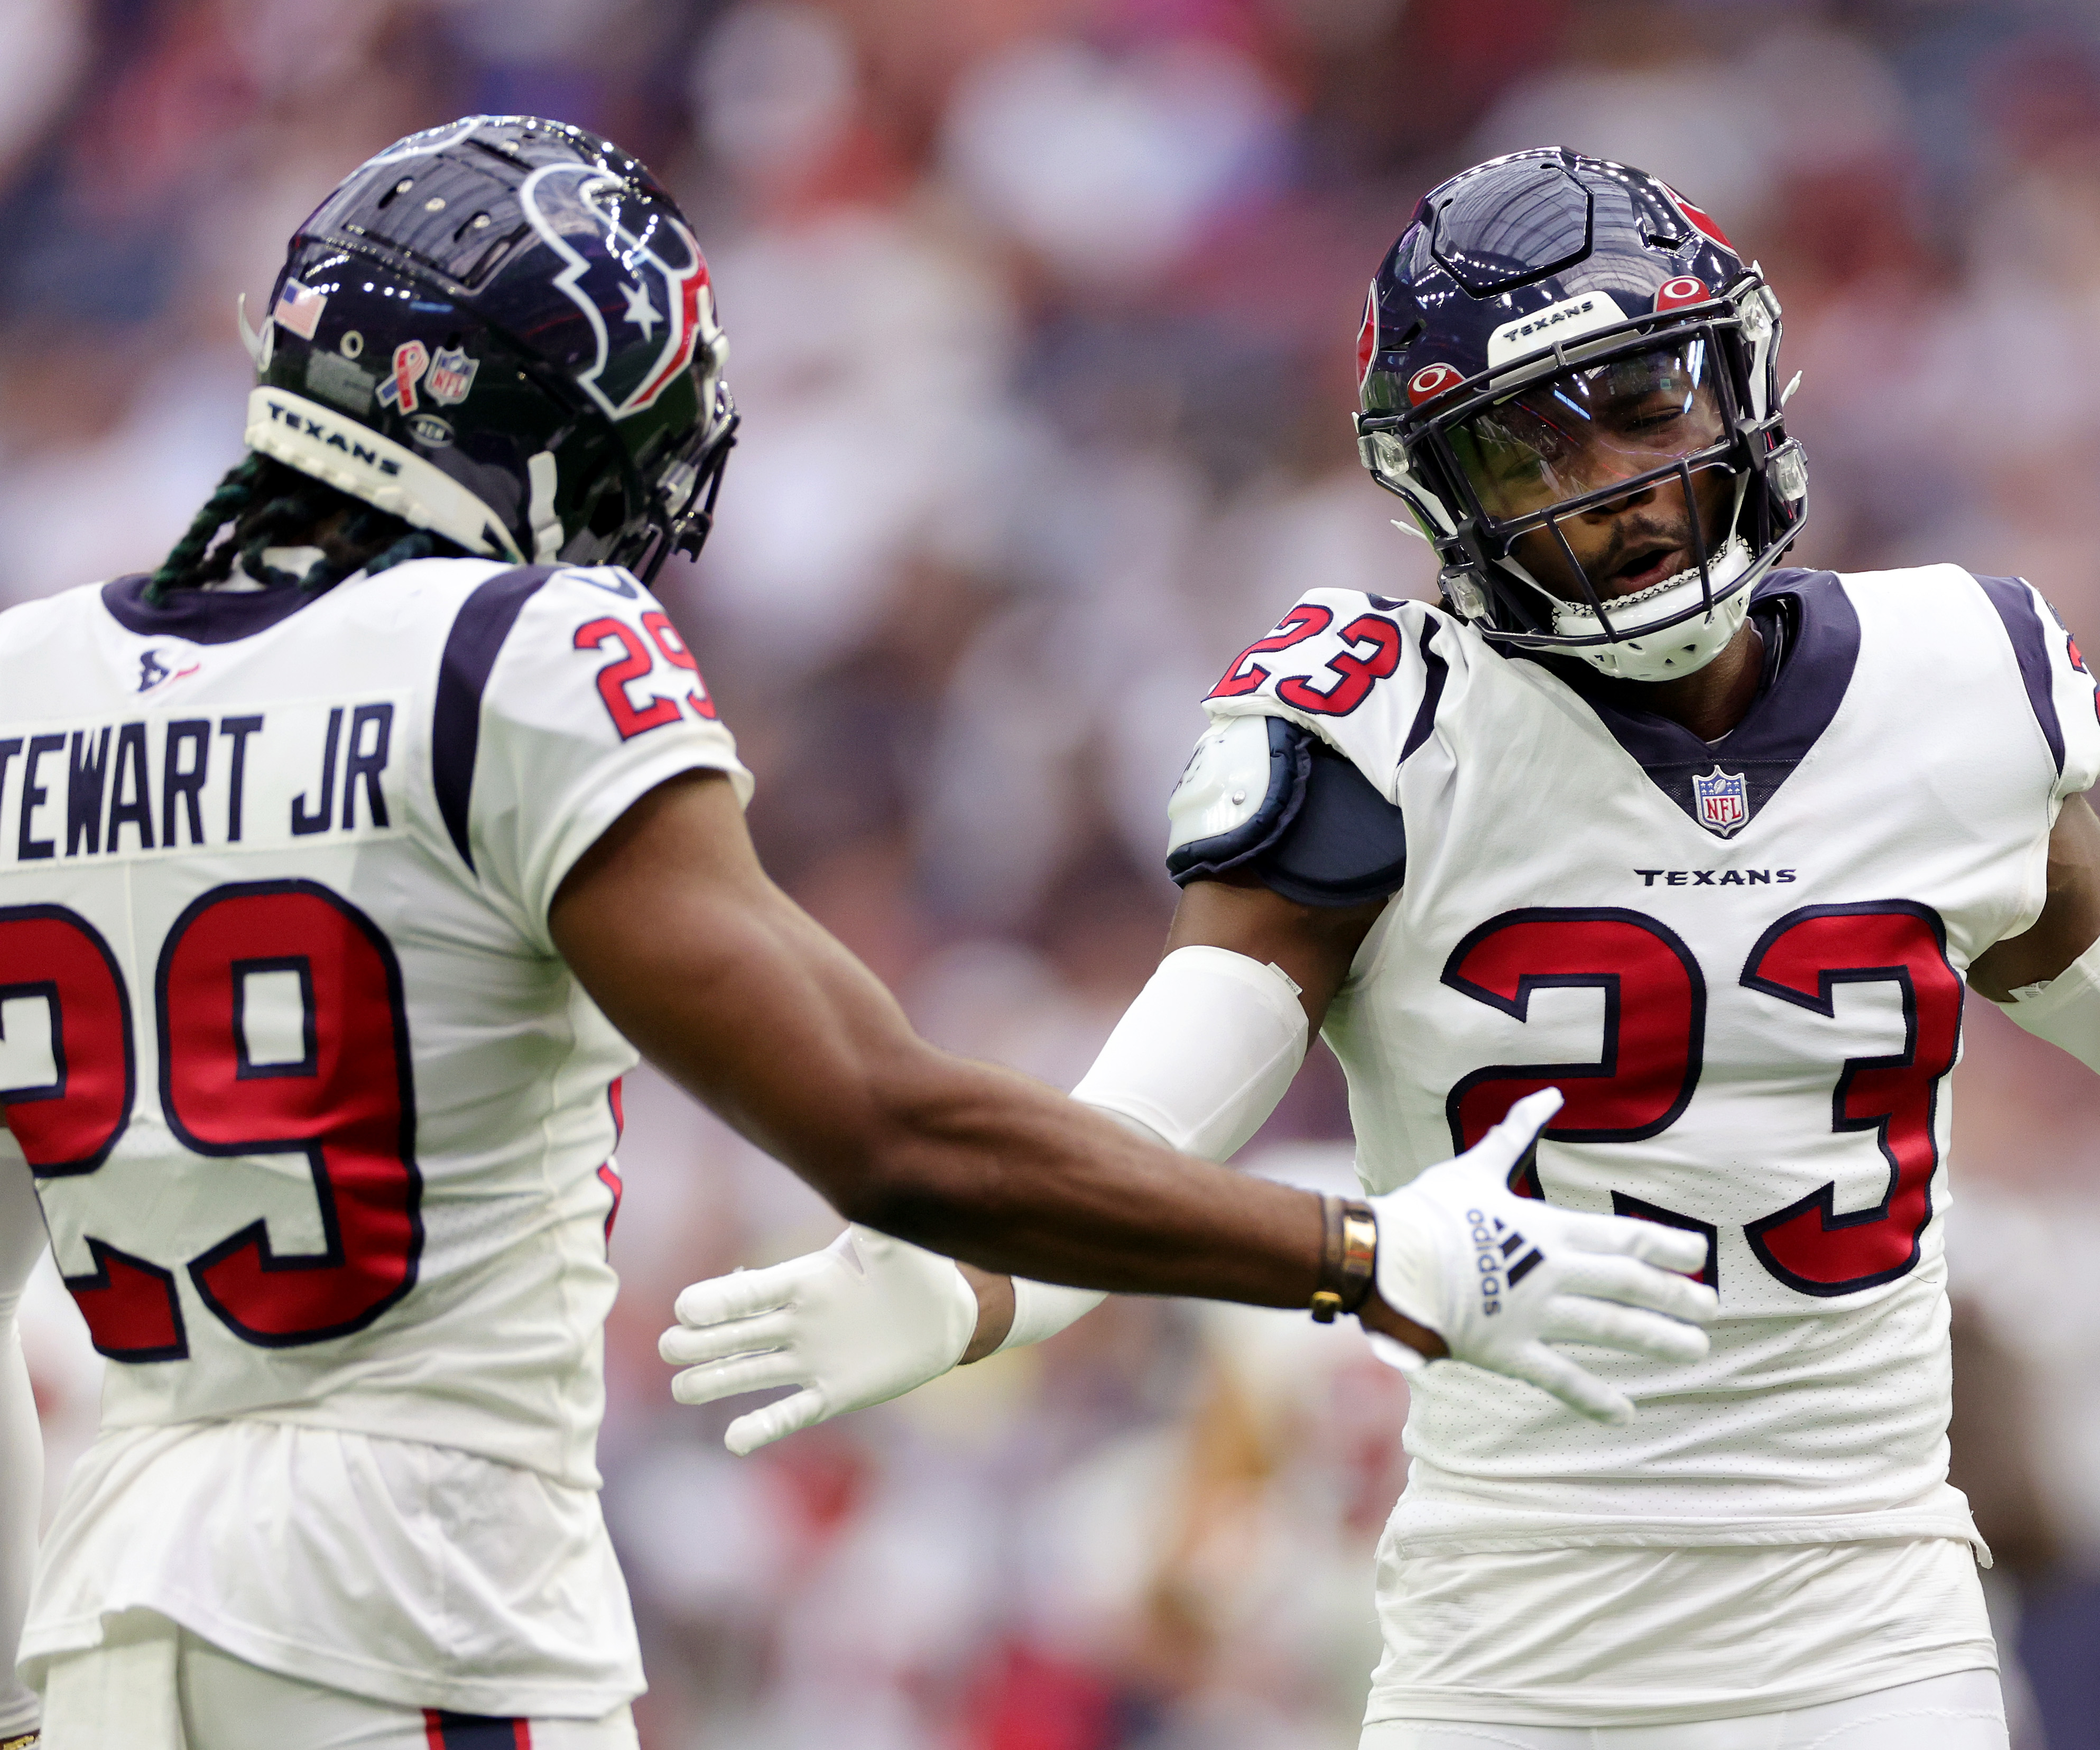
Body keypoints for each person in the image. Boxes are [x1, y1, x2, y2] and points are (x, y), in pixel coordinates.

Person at [665, 150, 2100, 1747]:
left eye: (1642, 402)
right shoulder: (1392, 738)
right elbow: (1144, 1134)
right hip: (1504, 1660)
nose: (1615, 485)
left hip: (1870, 1642)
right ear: (1436, 494)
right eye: (1529, 443)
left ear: (1735, 379)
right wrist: (969, 1287)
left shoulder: (1950, 693)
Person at [0, 123, 1722, 1750]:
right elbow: (888, 1130)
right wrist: (1365, 1253)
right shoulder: (514, 656)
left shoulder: (25, 684)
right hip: (415, 1593)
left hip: (103, 1609)